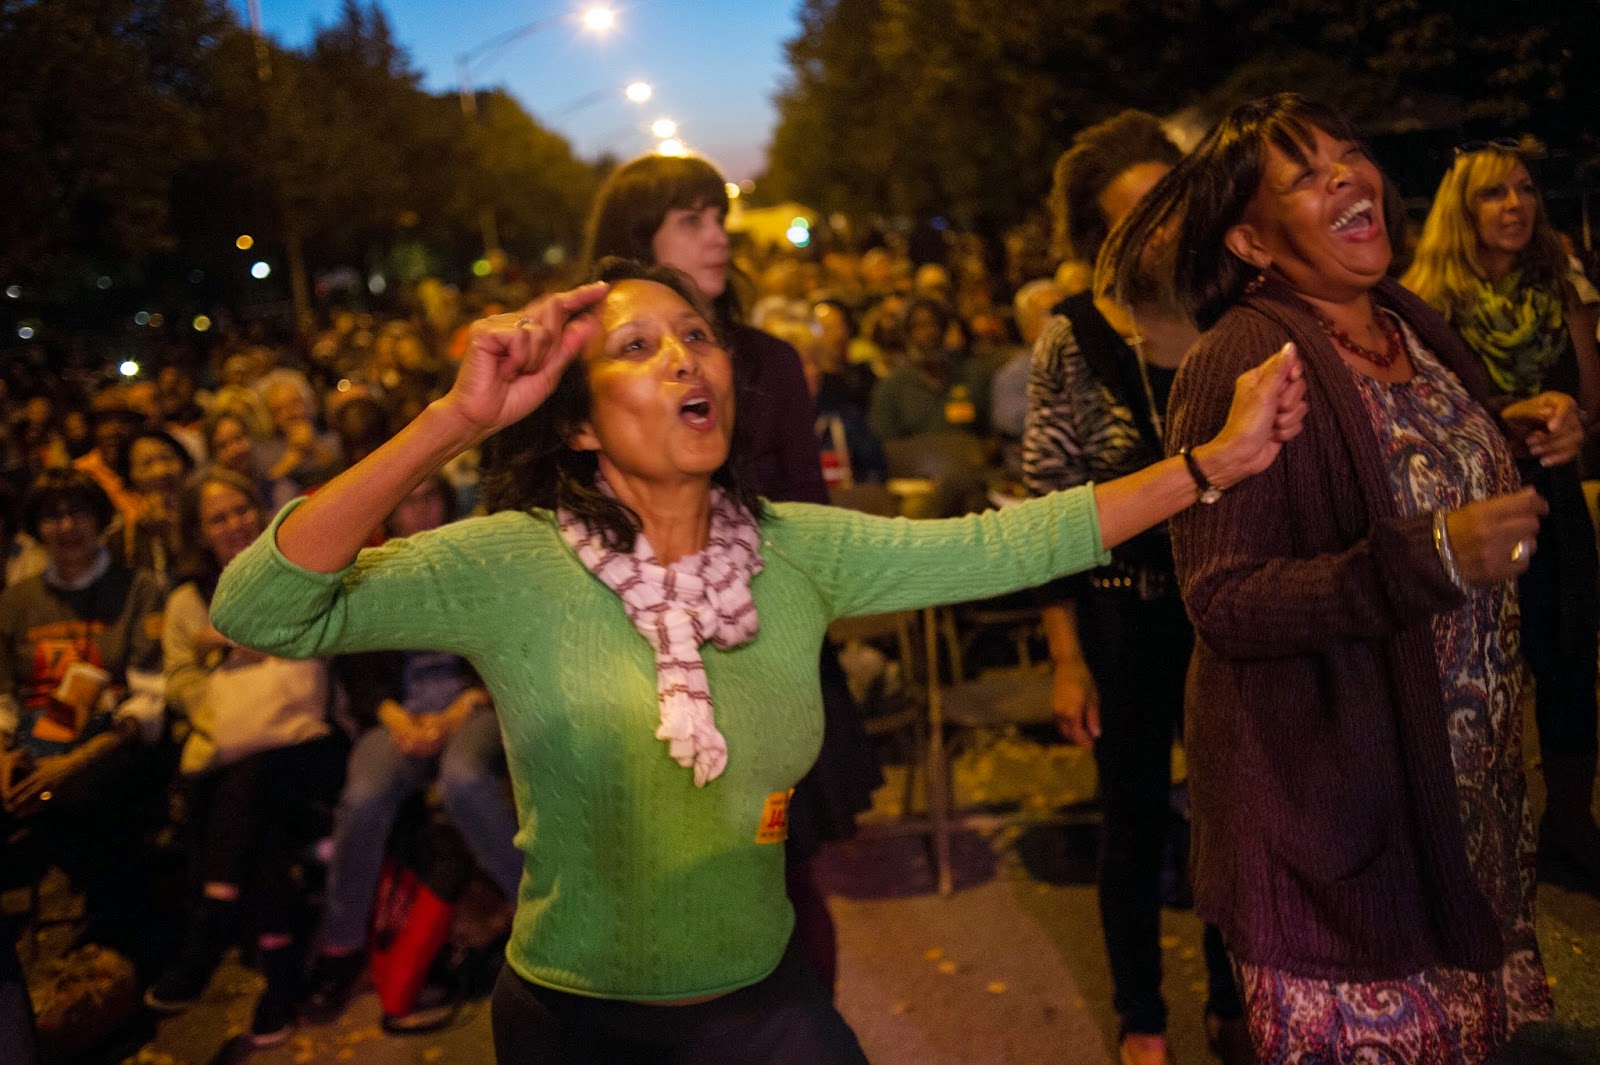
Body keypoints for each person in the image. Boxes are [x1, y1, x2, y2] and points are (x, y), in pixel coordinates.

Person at [210, 258, 1305, 1064]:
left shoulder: (796, 550)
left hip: (764, 1008)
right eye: (637, 348)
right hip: (574, 1024)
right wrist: (455, 419)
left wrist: (1209, 464)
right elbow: (259, 607)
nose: (683, 356)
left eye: (696, 336)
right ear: (579, 424)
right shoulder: (514, 562)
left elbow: (1008, 541)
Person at [1101, 92, 1573, 1063]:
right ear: (1251, 241)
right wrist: (1432, 557)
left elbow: (1412, 469)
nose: (1348, 177)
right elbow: (1225, 600)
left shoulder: (1407, 321)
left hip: (1463, 803)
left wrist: (1513, 434)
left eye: (1348, 154)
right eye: (1305, 176)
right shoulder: (1240, 359)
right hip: (1343, 827)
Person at [579, 153, 866, 992]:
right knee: (668, 903)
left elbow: (808, 522)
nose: (718, 236)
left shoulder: (767, 361)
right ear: (640, 241)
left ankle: (804, 1037)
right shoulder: (591, 368)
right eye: (691, 220)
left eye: (719, 217)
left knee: (786, 888)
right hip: (641, 671)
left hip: (761, 657)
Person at [1021, 110, 1248, 1065]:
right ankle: (1141, 1016)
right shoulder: (1073, 338)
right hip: (1123, 611)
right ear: (1098, 236)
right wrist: (1066, 659)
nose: (1159, 232)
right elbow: (1048, 502)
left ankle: (1237, 999)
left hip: (1232, 608)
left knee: (1236, 815)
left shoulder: (1236, 314)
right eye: (1132, 218)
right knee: (1135, 819)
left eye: (1169, 205)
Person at [1402, 142, 1600, 893]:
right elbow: (1418, 419)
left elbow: (1590, 402)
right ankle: (1471, 839)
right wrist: (1501, 423)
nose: (1515, 205)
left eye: (1524, 189)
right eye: (1493, 193)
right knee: (1472, 676)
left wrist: (1572, 422)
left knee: (1569, 662)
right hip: (1470, 510)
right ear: (1462, 209)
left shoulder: (1560, 288)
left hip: (1553, 498)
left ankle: (1570, 828)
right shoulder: (1425, 305)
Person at [301, 474, 522, 1017]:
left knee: (465, 779)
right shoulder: (374, 573)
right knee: (364, 796)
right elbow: (358, 671)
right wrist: (396, 719)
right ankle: (341, 946)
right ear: (392, 514)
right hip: (399, 714)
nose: (420, 512)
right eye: (408, 502)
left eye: (429, 499)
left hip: (472, 705)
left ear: (446, 502)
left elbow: (507, 647)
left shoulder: (475, 563)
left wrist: (462, 707)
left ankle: (537, 906)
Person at [144, 469, 346, 1046]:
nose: (233, 524)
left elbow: (329, 638)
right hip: (234, 751)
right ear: (198, 532)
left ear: (258, 511)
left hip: (308, 743)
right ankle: (280, 978)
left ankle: (210, 928)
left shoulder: (297, 566)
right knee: (254, 805)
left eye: (240, 510)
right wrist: (217, 693)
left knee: (247, 779)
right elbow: (179, 680)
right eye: (217, 518)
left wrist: (238, 640)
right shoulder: (187, 601)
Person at [0, 469, 168, 975]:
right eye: (52, 516)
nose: (67, 526)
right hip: (32, 744)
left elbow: (147, 701)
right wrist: (4, 756)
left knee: (91, 806)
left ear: (100, 519)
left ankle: (120, 946)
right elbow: (4, 695)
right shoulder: (16, 601)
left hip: (109, 746)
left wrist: (70, 766)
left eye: (78, 513)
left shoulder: (137, 589)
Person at [116, 427, 195, 587]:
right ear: (130, 476)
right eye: (147, 464)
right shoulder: (122, 537)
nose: (161, 471)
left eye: (167, 458)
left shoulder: (205, 518)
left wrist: (171, 535)